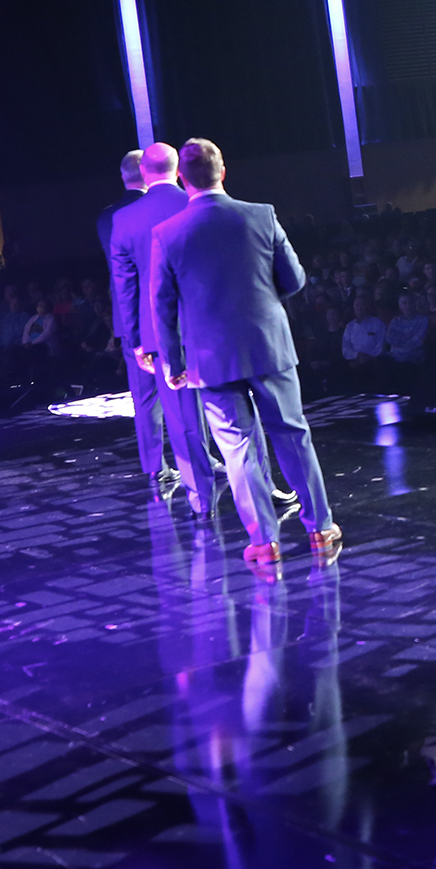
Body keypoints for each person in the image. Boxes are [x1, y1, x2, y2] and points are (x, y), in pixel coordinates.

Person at [151, 138, 341, 567]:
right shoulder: (261, 215)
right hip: (268, 345)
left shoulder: (166, 234)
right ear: (223, 171)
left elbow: (160, 306)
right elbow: (293, 280)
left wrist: (173, 364)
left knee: (238, 450)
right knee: (293, 436)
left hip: (210, 358)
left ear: (183, 179)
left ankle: (265, 542)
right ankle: (320, 529)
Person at [108, 142, 219, 517]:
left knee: (181, 417)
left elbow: (125, 286)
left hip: (161, 331)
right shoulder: (198, 203)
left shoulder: (124, 219)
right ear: (177, 170)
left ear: (143, 174)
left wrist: (137, 340)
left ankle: (201, 498)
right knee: (237, 409)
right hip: (214, 323)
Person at [96, 149, 181, 499]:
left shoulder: (107, 217)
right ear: (148, 174)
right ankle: (195, 459)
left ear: (123, 177)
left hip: (129, 317)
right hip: (168, 315)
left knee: (144, 397)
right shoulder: (158, 210)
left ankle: (153, 466)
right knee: (181, 392)